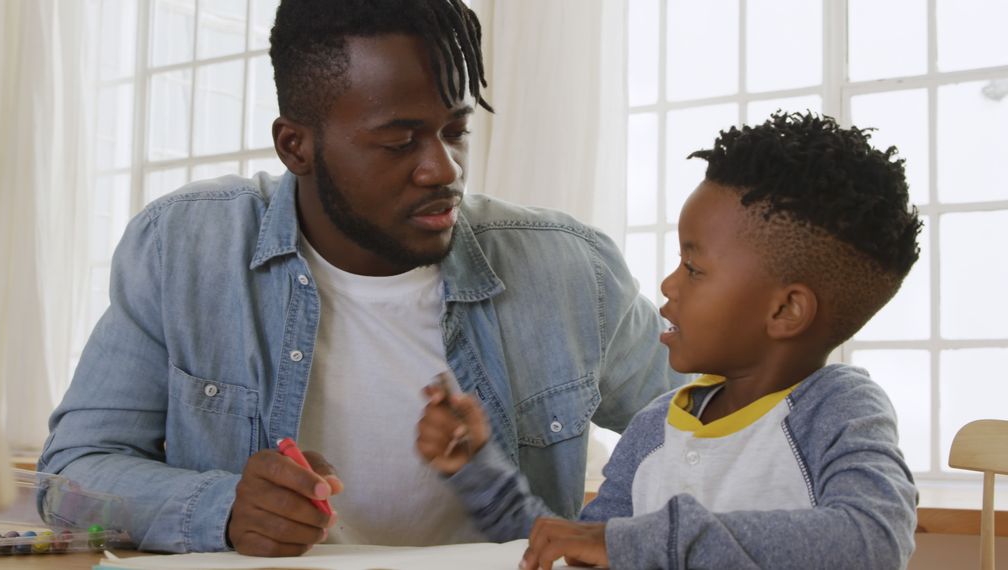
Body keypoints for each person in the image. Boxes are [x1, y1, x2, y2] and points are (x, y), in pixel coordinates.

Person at [37, 0, 685, 557]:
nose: (443, 168)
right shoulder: (184, 249)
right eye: (399, 141)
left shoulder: (570, 270)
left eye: (455, 131)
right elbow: (70, 479)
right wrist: (221, 508)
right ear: (296, 146)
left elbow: (736, 429)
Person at [417, 111, 923, 569]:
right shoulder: (655, 426)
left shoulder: (837, 409)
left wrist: (642, 543)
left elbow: (872, 542)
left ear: (785, 310)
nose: (667, 285)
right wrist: (478, 472)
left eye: (694, 268)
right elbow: (573, 550)